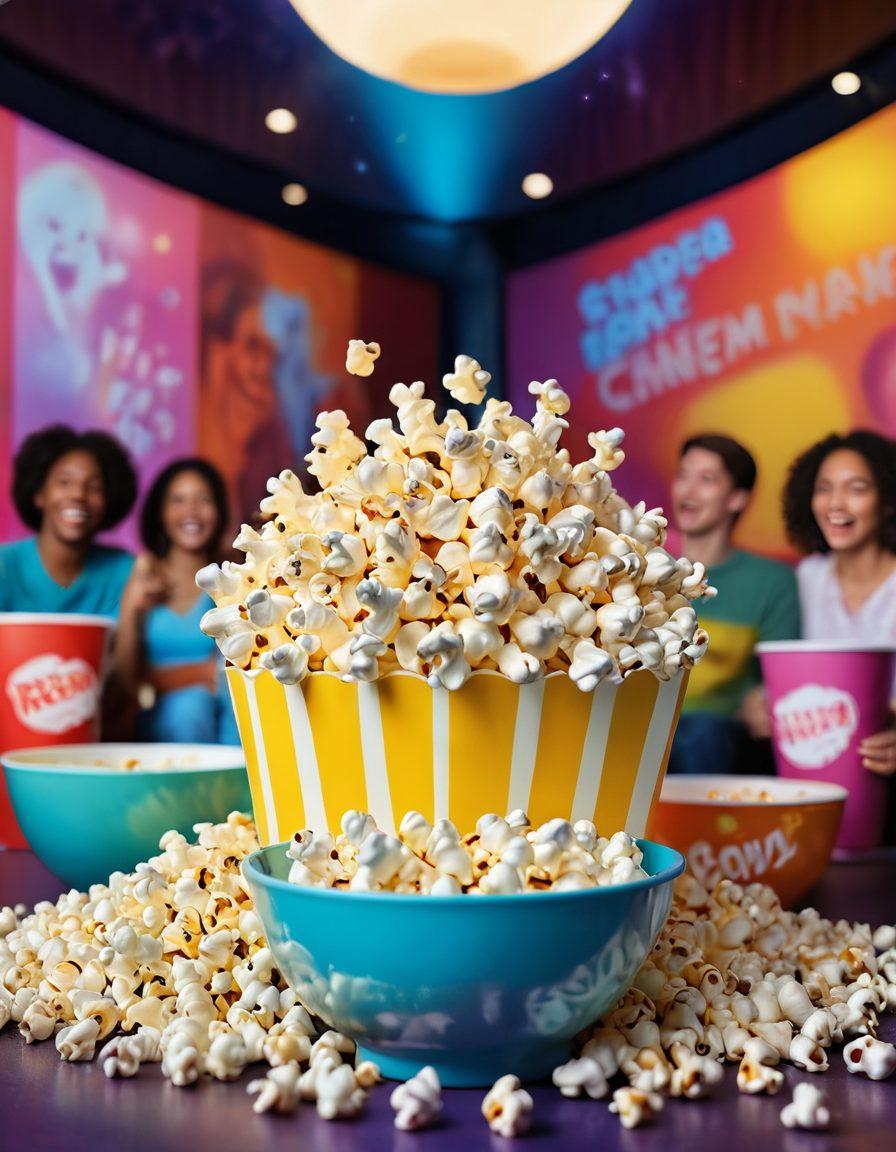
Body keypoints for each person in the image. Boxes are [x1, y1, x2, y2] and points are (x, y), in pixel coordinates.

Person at [668, 434, 800, 774]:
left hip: (715, 736)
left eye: (706, 480)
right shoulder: (644, 567)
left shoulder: (771, 582)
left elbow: (777, 679)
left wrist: (761, 701)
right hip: (639, 724)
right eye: (683, 475)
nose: (688, 490)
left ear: (738, 498)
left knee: (701, 734)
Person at [783, 430, 896, 778]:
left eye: (857, 488)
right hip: (818, 760)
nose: (835, 504)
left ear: (888, 500)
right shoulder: (806, 578)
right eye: (824, 488)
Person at [115, 458, 239, 744]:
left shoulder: (233, 578)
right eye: (178, 500)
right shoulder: (143, 576)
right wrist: (132, 607)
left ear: (219, 511)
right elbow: (125, 681)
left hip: (225, 719)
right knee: (190, 708)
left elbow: (236, 671)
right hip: (166, 724)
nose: (191, 511)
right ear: (160, 513)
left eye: (203, 499)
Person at [0, 426, 136, 614]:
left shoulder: (125, 571)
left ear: (108, 500)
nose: (78, 495)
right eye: (64, 482)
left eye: (94, 487)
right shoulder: (4, 567)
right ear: (39, 493)